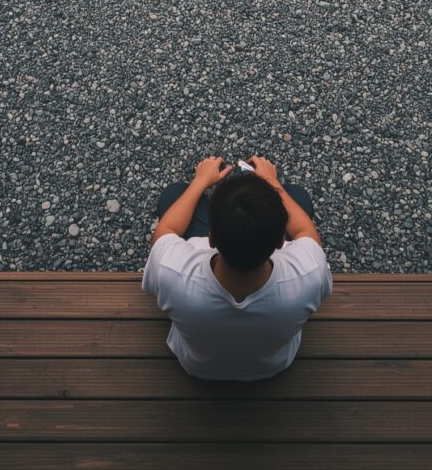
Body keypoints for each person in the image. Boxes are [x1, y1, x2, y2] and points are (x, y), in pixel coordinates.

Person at [141, 154, 333, 380]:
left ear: (211, 239)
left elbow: (165, 232)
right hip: (272, 365)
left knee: (174, 194)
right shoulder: (308, 273)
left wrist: (200, 181)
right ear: (280, 242)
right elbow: (306, 234)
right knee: (298, 196)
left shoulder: (172, 270)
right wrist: (272, 182)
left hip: (198, 366)